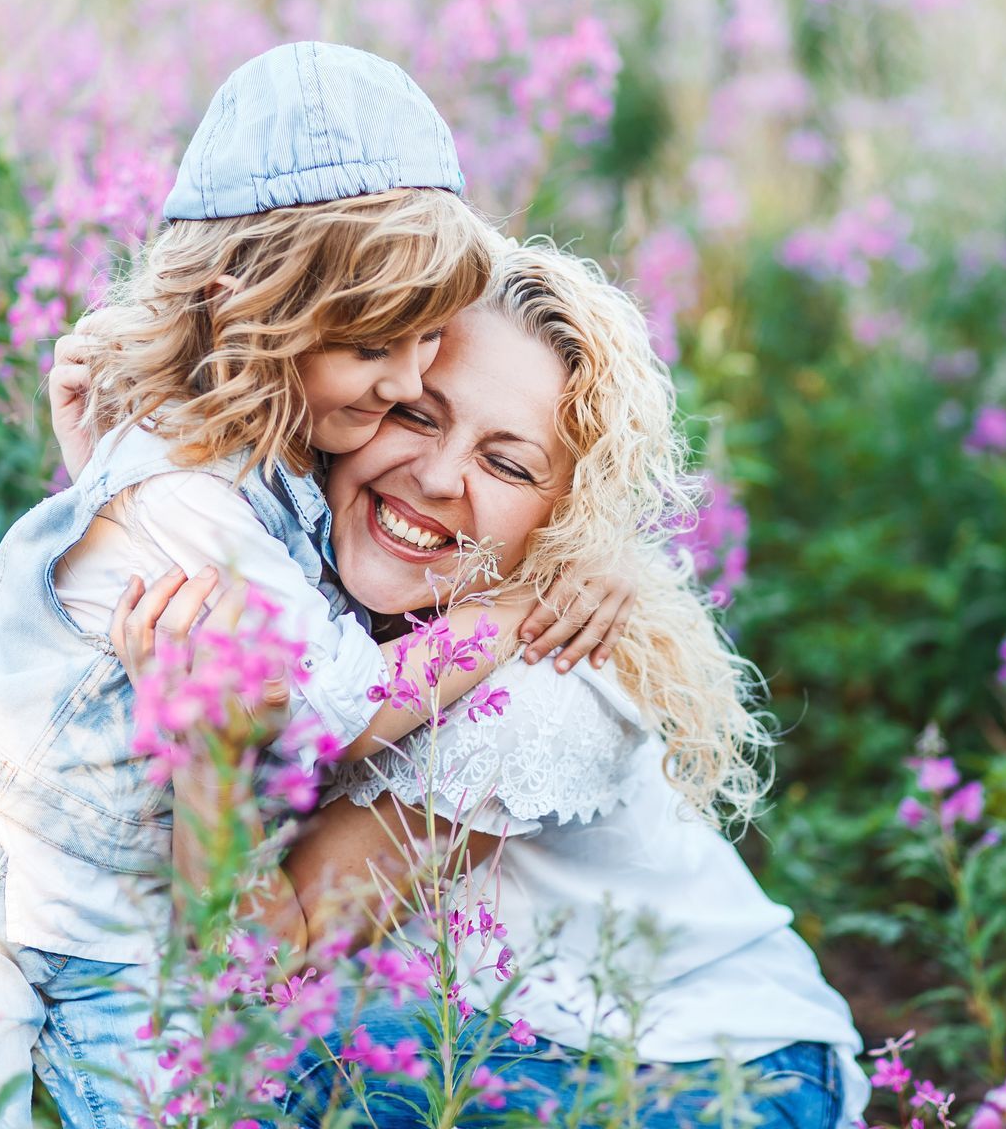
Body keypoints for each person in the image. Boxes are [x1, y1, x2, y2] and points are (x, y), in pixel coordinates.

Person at [0, 44, 624, 1129]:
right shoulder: (189, 492)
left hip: (113, 895)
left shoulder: (248, 452)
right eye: (376, 349)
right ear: (248, 308)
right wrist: (500, 620)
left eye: (422, 342)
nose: (409, 381)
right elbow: (339, 703)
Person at [125, 241, 870, 1129]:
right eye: (416, 413)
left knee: (290, 1068)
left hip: (713, 1075)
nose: (438, 478)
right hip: (522, 1032)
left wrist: (203, 753)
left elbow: (255, 971)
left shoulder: (545, 684)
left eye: (510, 464)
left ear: (567, 518)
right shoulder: (304, 558)